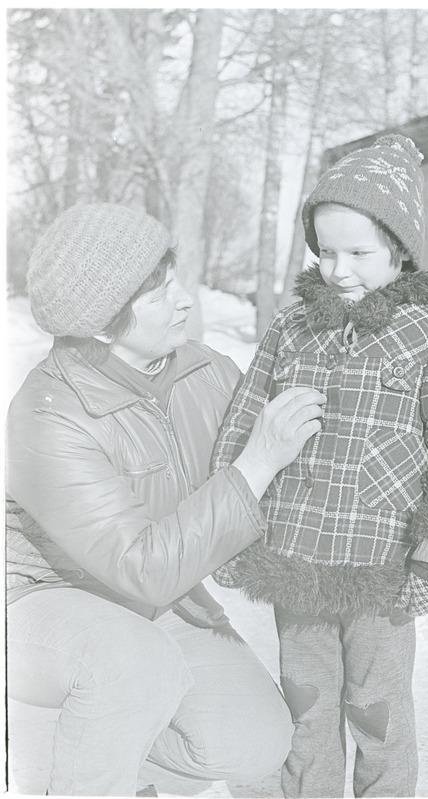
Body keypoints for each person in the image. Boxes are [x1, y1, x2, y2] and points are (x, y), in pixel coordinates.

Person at [6, 202, 326, 796]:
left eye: (175, 281)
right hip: (40, 604)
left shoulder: (206, 371)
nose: (184, 301)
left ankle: (96, 737)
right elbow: (144, 569)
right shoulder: (47, 415)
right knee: (129, 663)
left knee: (254, 742)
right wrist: (256, 460)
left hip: (160, 607)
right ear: (100, 323)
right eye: (157, 295)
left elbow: (290, 475)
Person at [211, 134, 428, 797]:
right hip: (297, 563)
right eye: (326, 250)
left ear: (399, 248)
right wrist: (225, 522)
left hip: (381, 574)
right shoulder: (291, 329)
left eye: (358, 252)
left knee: (377, 714)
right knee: (305, 713)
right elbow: (242, 424)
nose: (338, 269)